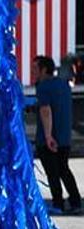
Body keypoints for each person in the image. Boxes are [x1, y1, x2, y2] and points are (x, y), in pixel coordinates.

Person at [32, 55, 80, 215]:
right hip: (64, 137)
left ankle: (58, 203)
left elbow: (46, 111)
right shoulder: (64, 86)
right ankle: (75, 201)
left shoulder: (44, 87)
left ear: (44, 69)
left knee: (53, 173)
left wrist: (47, 136)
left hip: (50, 138)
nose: (33, 73)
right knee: (64, 170)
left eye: (35, 69)